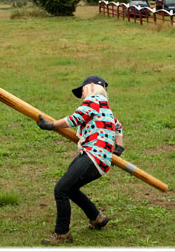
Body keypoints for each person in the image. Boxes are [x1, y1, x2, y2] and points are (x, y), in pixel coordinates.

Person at [36, 76, 124, 245]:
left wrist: (52, 125)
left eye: (82, 91)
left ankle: (62, 233)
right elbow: (118, 126)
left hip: (93, 155)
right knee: (70, 189)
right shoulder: (105, 106)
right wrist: (118, 147)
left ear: (91, 87)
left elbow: (76, 118)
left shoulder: (94, 100)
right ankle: (96, 217)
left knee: (61, 189)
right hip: (98, 157)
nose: (82, 96)